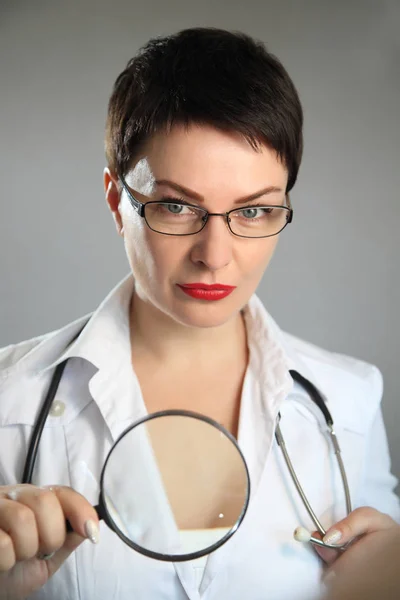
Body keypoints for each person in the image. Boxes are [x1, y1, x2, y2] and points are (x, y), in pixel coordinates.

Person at [0, 27, 398, 600]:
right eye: (177, 205)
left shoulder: (350, 402)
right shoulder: (11, 402)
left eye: (256, 210)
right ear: (118, 201)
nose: (214, 255)